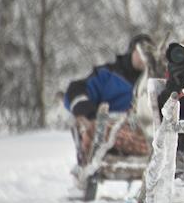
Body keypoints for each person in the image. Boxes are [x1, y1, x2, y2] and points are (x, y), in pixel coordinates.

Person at [64, 33, 154, 164]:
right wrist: (88, 112)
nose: (144, 58)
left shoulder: (154, 79)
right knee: (98, 130)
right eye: (141, 52)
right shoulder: (108, 75)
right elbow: (76, 90)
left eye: (149, 55)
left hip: (142, 131)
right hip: (107, 126)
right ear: (132, 51)